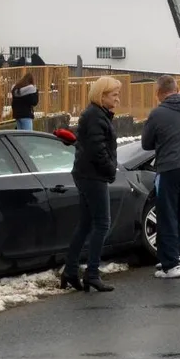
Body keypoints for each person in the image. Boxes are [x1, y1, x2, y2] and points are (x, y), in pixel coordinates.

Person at [140, 75, 180, 279]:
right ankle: (177, 254)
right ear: (177, 89)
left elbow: (146, 144)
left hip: (170, 167)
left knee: (166, 214)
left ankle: (170, 265)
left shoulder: (158, 113)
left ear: (159, 93)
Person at [62, 76, 122, 292]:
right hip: (93, 176)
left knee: (86, 224)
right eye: (114, 95)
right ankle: (92, 273)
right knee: (102, 224)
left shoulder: (96, 114)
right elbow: (98, 150)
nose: (117, 99)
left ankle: (70, 271)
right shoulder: (96, 116)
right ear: (101, 95)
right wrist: (110, 169)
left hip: (86, 174)